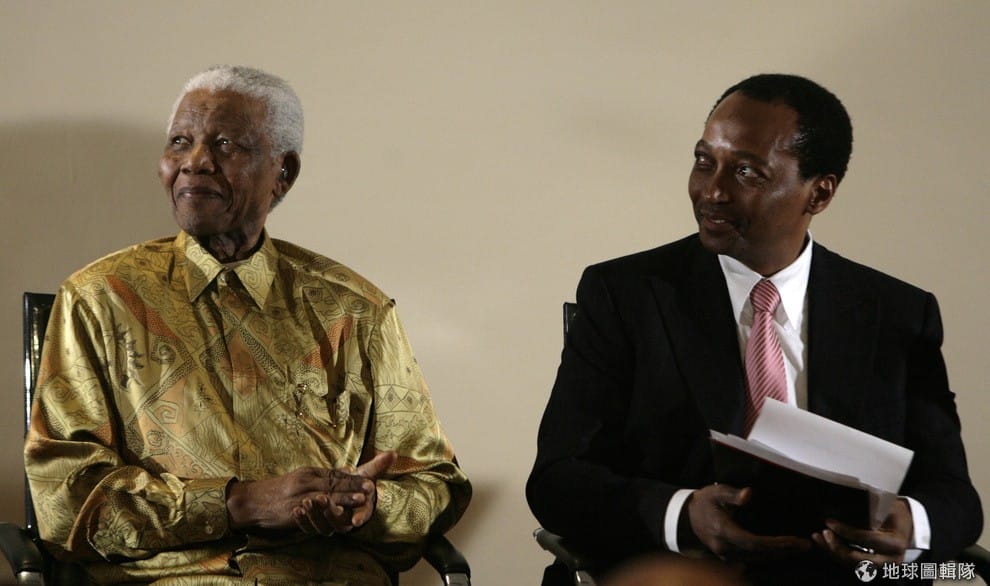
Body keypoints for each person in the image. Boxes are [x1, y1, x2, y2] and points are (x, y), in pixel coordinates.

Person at [526, 73, 982, 585]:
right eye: (705, 161)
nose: (712, 191)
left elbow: (955, 497)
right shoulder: (624, 295)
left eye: (746, 172)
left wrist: (909, 522)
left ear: (819, 193)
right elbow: (557, 479)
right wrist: (683, 514)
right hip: (677, 573)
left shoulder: (898, 314)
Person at [24, 65, 471, 585]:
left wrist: (370, 505)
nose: (195, 162)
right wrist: (238, 503)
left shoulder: (357, 310)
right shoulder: (99, 300)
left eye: (226, 145)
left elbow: (433, 483)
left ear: (284, 172)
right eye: (180, 142)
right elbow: (67, 499)